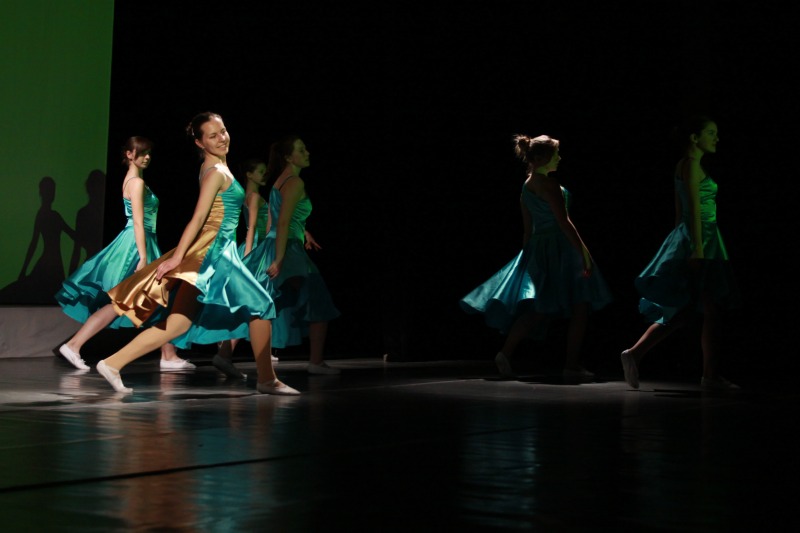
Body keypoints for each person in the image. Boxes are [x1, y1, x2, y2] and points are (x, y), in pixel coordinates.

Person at [95, 112, 298, 395]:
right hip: (215, 252)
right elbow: (199, 217)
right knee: (261, 305)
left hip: (215, 249)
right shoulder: (215, 173)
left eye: (223, 131)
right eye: (213, 136)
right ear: (200, 143)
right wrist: (178, 258)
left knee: (178, 323)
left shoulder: (216, 167)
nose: (222, 138)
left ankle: (112, 363)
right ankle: (267, 379)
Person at [460, 134, 612, 379]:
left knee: (541, 307)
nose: (560, 158)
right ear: (541, 158)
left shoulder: (527, 186)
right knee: (580, 304)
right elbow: (564, 223)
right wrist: (584, 253)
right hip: (561, 248)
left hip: (539, 249)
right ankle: (571, 365)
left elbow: (527, 229)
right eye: (556, 154)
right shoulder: (549, 184)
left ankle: (506, 353)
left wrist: (527, 258)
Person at [620, 116, 740, 391]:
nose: (716, 138)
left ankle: (636, 353)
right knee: (707, 309)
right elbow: (693, 209)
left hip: (698, 238)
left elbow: (680, 211)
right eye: (711, 133)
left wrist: (678, 241)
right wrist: (695, 248)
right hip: (702, 240)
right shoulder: (691, 165)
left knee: (690, 310)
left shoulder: (684, 165)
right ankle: (709, 375)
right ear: (695, 138)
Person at [55, 137, 192, 371]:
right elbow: (138, 222)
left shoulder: (133, 180)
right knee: (124, 301)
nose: (146, 157)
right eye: (142, 153)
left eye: (149, 153)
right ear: (129, 154)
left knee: (157, 298)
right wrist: (143, 257)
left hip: (142, 242)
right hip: (136, 245)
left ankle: (168, 354)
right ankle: (74, 345)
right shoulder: (136, 182)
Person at [256, 135, 341, 375]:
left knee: (267, 300)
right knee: (318, 300)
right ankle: (316, 362)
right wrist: (280, 258)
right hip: (288, 249)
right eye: (301, 150)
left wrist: (304, 232)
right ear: (288, 157)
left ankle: (225, 354)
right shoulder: (295, 182)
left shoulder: (279, 181)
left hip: (278, 243)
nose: (307, 153)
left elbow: (277, 219)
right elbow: (282, 222)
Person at [212, 157, 277, 380]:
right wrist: (249, 256)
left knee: (252, 304)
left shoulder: (248, 195)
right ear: (249, 174)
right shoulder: (254, 196)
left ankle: (230, 351)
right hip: (257, 250)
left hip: (255, 248)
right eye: (260, 170)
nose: (264, 174)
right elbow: (252, 228)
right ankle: (227, 352)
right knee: (254, 305)